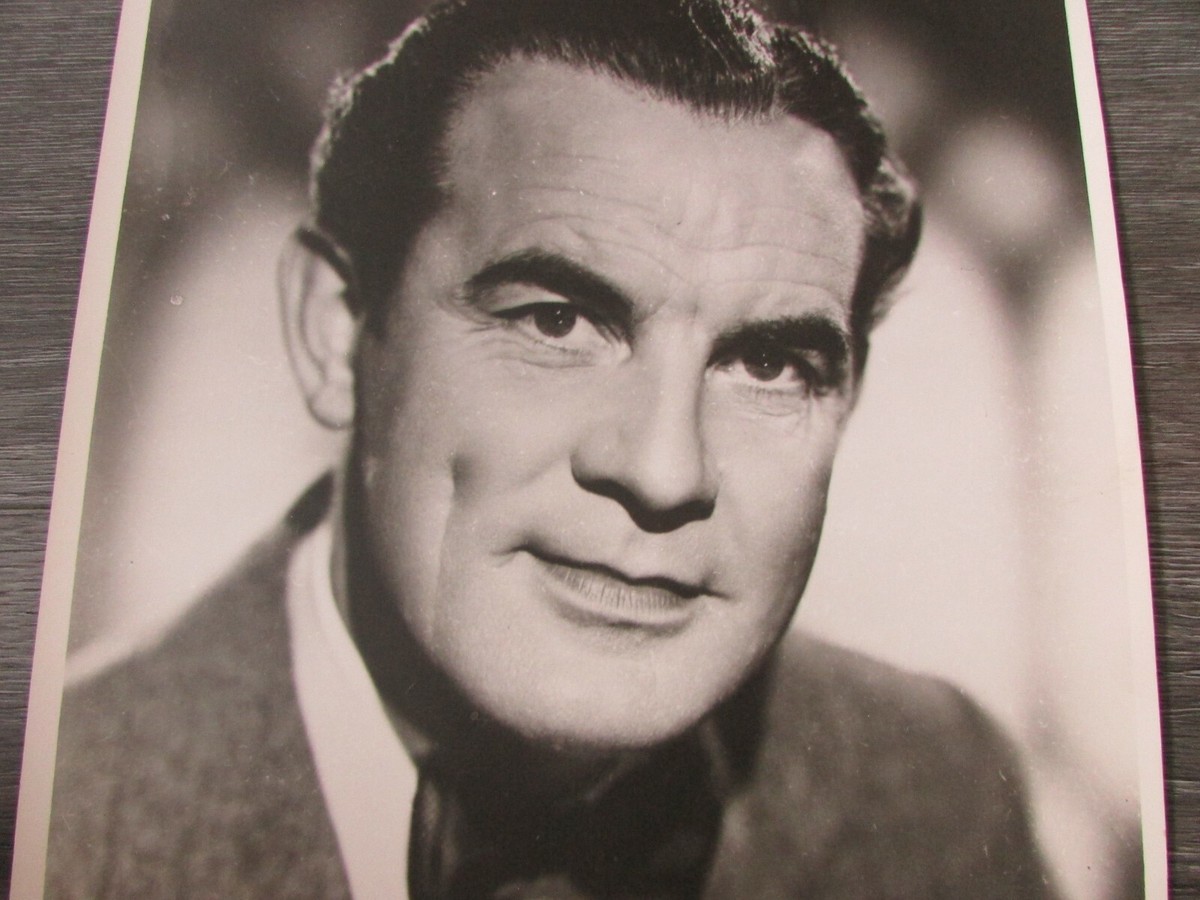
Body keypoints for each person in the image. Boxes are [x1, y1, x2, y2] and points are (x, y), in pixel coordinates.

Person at [45, 0, 1056, 896]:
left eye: (767, 363)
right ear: (336, 332)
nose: (663, 471)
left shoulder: (937, 795)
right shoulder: (65, 824)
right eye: (556, 321)